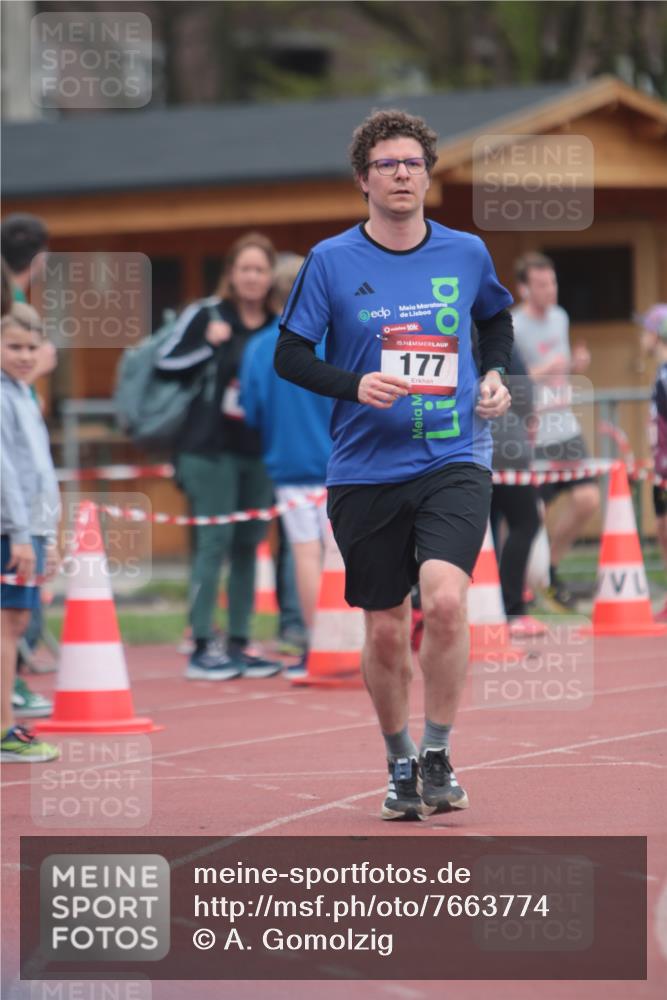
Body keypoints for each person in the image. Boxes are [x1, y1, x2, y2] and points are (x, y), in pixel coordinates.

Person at [275, 109, 513, 820]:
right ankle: (398, 759)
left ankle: (438, 751)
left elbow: (493, 319)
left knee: (443, 599)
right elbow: (289, 355)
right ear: (363, 180)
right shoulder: (330, 260)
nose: (402, 173)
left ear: (427, 176)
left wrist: (495, 375)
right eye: (388, 164)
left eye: (413, 163)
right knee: (383, 623)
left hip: (451, 455)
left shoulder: (466, 252)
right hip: (363, 469)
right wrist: (354, 385)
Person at [156, 232, 282, 681]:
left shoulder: (277, 325)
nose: (252, 277)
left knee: (250, 544)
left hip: (258, 450)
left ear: (270, 277)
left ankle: (240, 641)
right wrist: (207, 344)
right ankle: (202, 641)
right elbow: (163, 362)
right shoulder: (207, 314)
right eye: (244, 268)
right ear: (231, 273)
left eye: (260, 270)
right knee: (214, 542)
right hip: (207, 449)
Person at [240, 254, 332, 679]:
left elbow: (252, 410)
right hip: (342, 459)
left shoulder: (259, 348)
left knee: (306, 554)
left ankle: (320, 642)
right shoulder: (336, 339)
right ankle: (356, 636)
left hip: (290, 462)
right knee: (346, 553)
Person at [511, 252, 600, 613]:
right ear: (524, 289)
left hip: (565, 423)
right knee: (533, 515)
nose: (551, 290)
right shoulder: (512, 324)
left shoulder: (560, 317)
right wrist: (546, 368)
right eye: (543, 284)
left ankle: (551, 569)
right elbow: (513, 379)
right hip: (534, 430)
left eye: (554, 282)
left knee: (587, 500)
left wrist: (577, 364)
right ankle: (523, 585)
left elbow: (563, 368)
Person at [1, 304, 60, 762]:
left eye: (31, 347)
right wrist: (21, 534)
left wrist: (50, 535)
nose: (24, 355)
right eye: (13, 346)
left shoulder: (25, 392)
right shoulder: (3, 397)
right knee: (8, 626)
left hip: (32, 529)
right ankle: (4, 728)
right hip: (12, 530)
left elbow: (42, 469)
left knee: (16, 625)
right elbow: (5, 473)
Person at [488, 345, 545, 637]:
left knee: (484, 529)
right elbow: (524, 393)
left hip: (462, 446)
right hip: (506, 442)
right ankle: (512, 609)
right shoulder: (500, 336)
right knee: (526, 521)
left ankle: (484, 608)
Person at [639, 303, 667, 622]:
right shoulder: (659, 373)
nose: (641, 338)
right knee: (662, 527)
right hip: (660, 466)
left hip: (666, 466)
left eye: (646, 331)